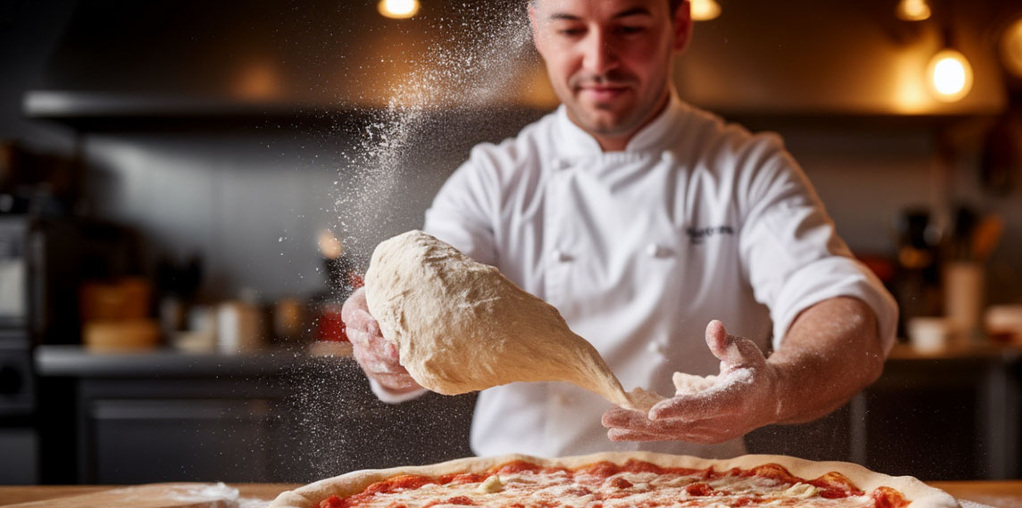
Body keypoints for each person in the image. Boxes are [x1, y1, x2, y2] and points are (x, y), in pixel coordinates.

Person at [342, 0, 898, 460]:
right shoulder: (494, 179)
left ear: (679, 25)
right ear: (537, 30)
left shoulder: (744, 169)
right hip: (512, 502)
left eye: (628, 28)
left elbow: (840, 307)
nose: (599, 59)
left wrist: (774, 387)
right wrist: (384, 343)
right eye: (570, 28)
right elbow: (424, 319)